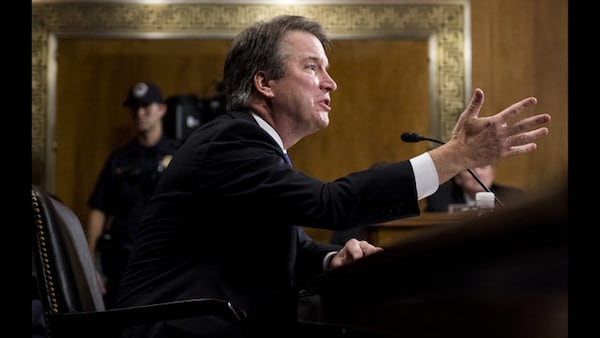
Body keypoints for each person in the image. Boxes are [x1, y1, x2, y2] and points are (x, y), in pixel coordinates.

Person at [115, 15, 551, 338]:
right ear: (264, 83)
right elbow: (330, 204)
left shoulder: (252, 145)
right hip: (176, 330)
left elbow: (292, 247)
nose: (331, 83)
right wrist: (453, 157)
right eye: (312, 68)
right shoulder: (231, 141)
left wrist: (331, 258)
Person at [84, 81, 180, 308]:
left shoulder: (180, 155)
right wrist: (89, 265)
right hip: (121, 262)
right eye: (134, 107)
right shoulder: (119, 159)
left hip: (164, 261)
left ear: (162, 110)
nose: (139, 113)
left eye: (146, 106)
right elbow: (98, 209)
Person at [424, 164, 525, 212]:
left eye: (483, 167)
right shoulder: (439, 199)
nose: (478, 174)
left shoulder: (513, 198)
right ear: (458, 178)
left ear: (493, 174)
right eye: (470, 169)